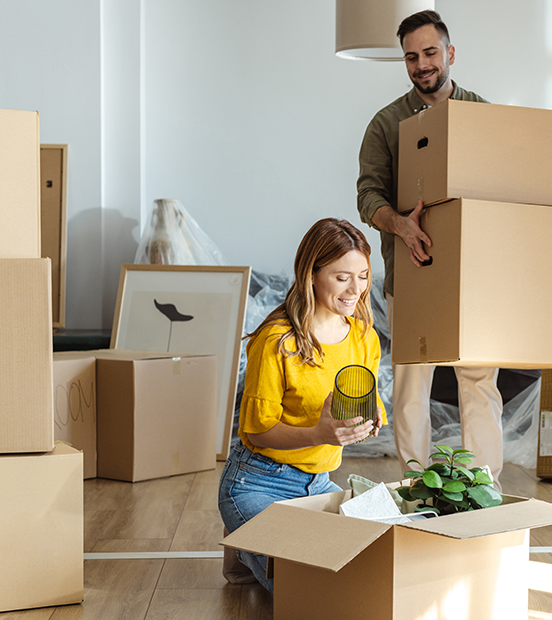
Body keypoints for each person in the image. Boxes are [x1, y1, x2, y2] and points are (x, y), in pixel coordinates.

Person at [356, 10, 505, 488]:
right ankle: (414, 485)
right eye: (411, 57)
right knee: (410, 387)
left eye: (430, 53)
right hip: (414, 274)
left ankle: (485, 486)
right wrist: (398, 224)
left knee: (480, 384)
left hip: (474, 280)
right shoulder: (386, 124)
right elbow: (367, 195)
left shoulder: (482, 115)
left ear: (450, 53)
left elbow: (502, 188)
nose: (422, 64)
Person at [217, 218, 387, 591]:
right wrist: (319, 433)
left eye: (363, 275)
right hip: (257, 483)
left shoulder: (362, 336)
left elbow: (367, 402)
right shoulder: (277, 340)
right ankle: (251, 540)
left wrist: (368, 421)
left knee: (372, 574)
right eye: (343, 277)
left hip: (320, 485)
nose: (355, 289)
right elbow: (256, 431)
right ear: (311, 273)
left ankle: (253, 548)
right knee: (312, 591)